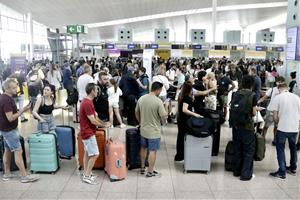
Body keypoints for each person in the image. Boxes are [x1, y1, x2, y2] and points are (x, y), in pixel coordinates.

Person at [0, 78, 39, 183]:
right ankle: (24, 176)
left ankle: (7, 174)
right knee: (18, 151)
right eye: (13, 87)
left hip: (5, 129)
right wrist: (23, 110)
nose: (16, 89)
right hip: (9, 130)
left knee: (7, 151)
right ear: (7, 88)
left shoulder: (3, 97)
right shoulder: (7, 100)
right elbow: (10, 118)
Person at [268, 81, 300, 179]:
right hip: (294, 128)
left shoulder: (278, 98)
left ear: (278, 89)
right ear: (287, 88)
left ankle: (282, 172)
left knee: (280, 148)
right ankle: (293, 168)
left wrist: (277, 123)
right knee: (293, 147)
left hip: (282, 127)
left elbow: (275, 116)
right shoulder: (297, 98)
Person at [80, 83, 110, 185]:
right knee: (95, 154)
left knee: (88, 153)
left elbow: (95, 117)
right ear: (92, 91)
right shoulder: (87, 103)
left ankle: (86, 173)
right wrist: (103, 126)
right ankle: (87, 176)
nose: (97, 92)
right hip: (88, 133)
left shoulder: (89, 101)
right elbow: (92, 120)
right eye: (96, 90)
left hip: (87, 131)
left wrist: (103, 123)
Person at [135, 82, 168, 177]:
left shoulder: (142, 98)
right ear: (158, 90)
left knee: (143, 148)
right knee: (153, 151)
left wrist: (140, 122)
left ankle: (142, 167)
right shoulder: (158, 102)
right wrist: (166, 107)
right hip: (154, 131)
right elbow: (163, 117)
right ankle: (150, 171)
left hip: (143, 130)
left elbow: (136, 112)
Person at [230, 75, 257, 181]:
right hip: (247, 126)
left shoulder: (236, 93)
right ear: (252, 84)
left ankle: (236, 171)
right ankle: (245, 174)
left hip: (236, 125)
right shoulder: (252, 95)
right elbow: (254, 113)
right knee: (248, 150)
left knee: (238, 148)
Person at [175, 81, 202, 162]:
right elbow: (184, 109)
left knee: (180, 136)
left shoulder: (182, 95)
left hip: (181, 118)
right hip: (184, 119)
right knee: (182, 137)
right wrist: (195, 114)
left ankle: (179, 155)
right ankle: (180, 156)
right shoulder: (187, 97)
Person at [257, 76, 285, 145]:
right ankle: (262, 138)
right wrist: (257, 102)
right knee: (266, 126)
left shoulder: (285, 91)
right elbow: (264, 97)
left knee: (276, 127)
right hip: (270, 110)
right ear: (276, 82)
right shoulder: (272, 90)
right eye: (279, 82)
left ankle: (275, 140)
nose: (280, 83)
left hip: (279, 112)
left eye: (282, 82)